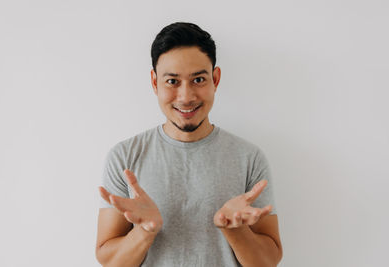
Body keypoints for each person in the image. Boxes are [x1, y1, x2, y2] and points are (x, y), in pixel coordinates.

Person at [95, 22, 283, 267]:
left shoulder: (249, 158)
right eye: (172, 81)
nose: (186, 97)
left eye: (198, 79)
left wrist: (235, 230)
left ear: (215, 79)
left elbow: (268, 261)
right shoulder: (124, 158)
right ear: (155, 83)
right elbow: (110, 262)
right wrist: (144, 232)